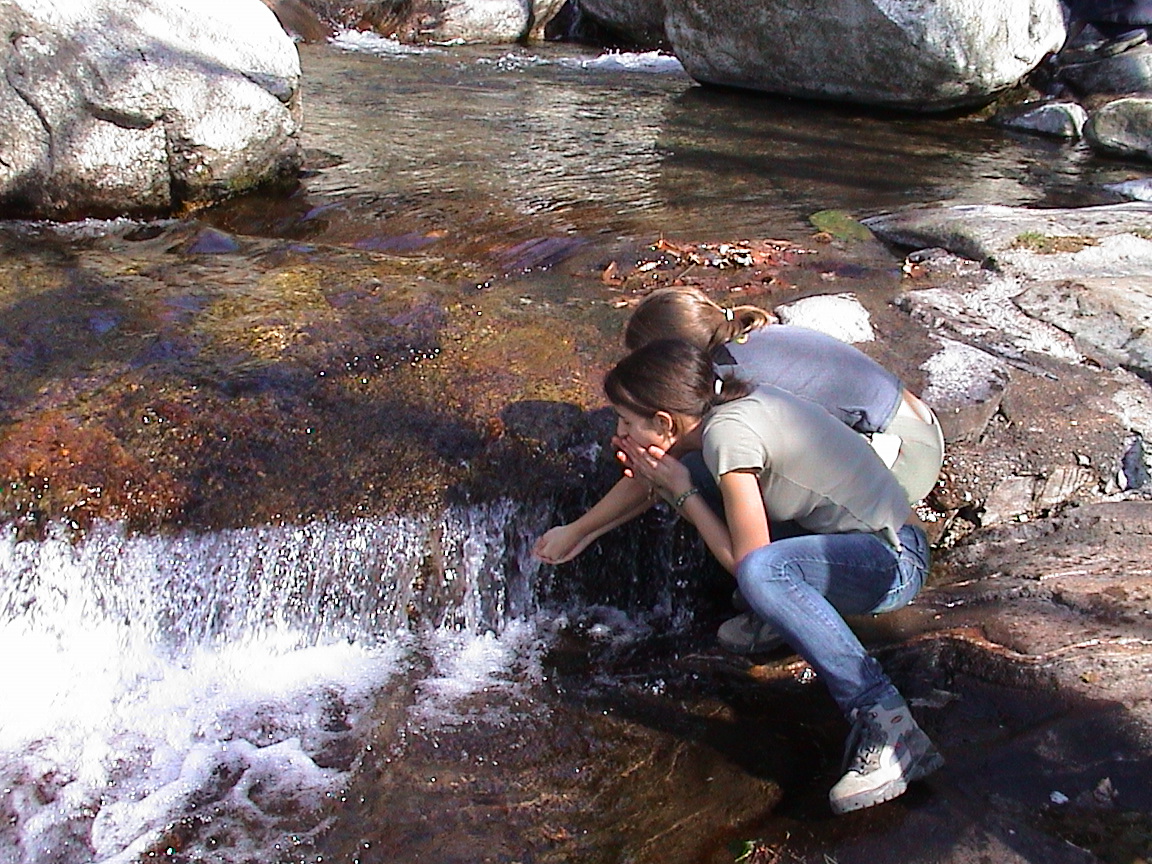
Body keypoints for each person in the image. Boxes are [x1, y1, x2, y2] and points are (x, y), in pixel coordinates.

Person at [559, 338, 943, 814]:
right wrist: (578, 533)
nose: (617, 430)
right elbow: (649, 478)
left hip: (891, 562)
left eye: (624, 420)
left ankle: (888, 726)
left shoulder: (728, 437)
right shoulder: (721, 413)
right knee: (697, 480)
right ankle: (792, 616)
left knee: (763, 574)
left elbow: (751, 563)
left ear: (664, 422)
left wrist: (684, 497)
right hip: (856, 544)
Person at [535, 286, 944, 654]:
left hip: (904, 450)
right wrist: (583, 531)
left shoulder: (734, 388)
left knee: (711, 471)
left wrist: (582, 528)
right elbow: (657, 469)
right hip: (903, 427)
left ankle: (788, 601)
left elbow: (667, 472)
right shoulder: (728, 353)